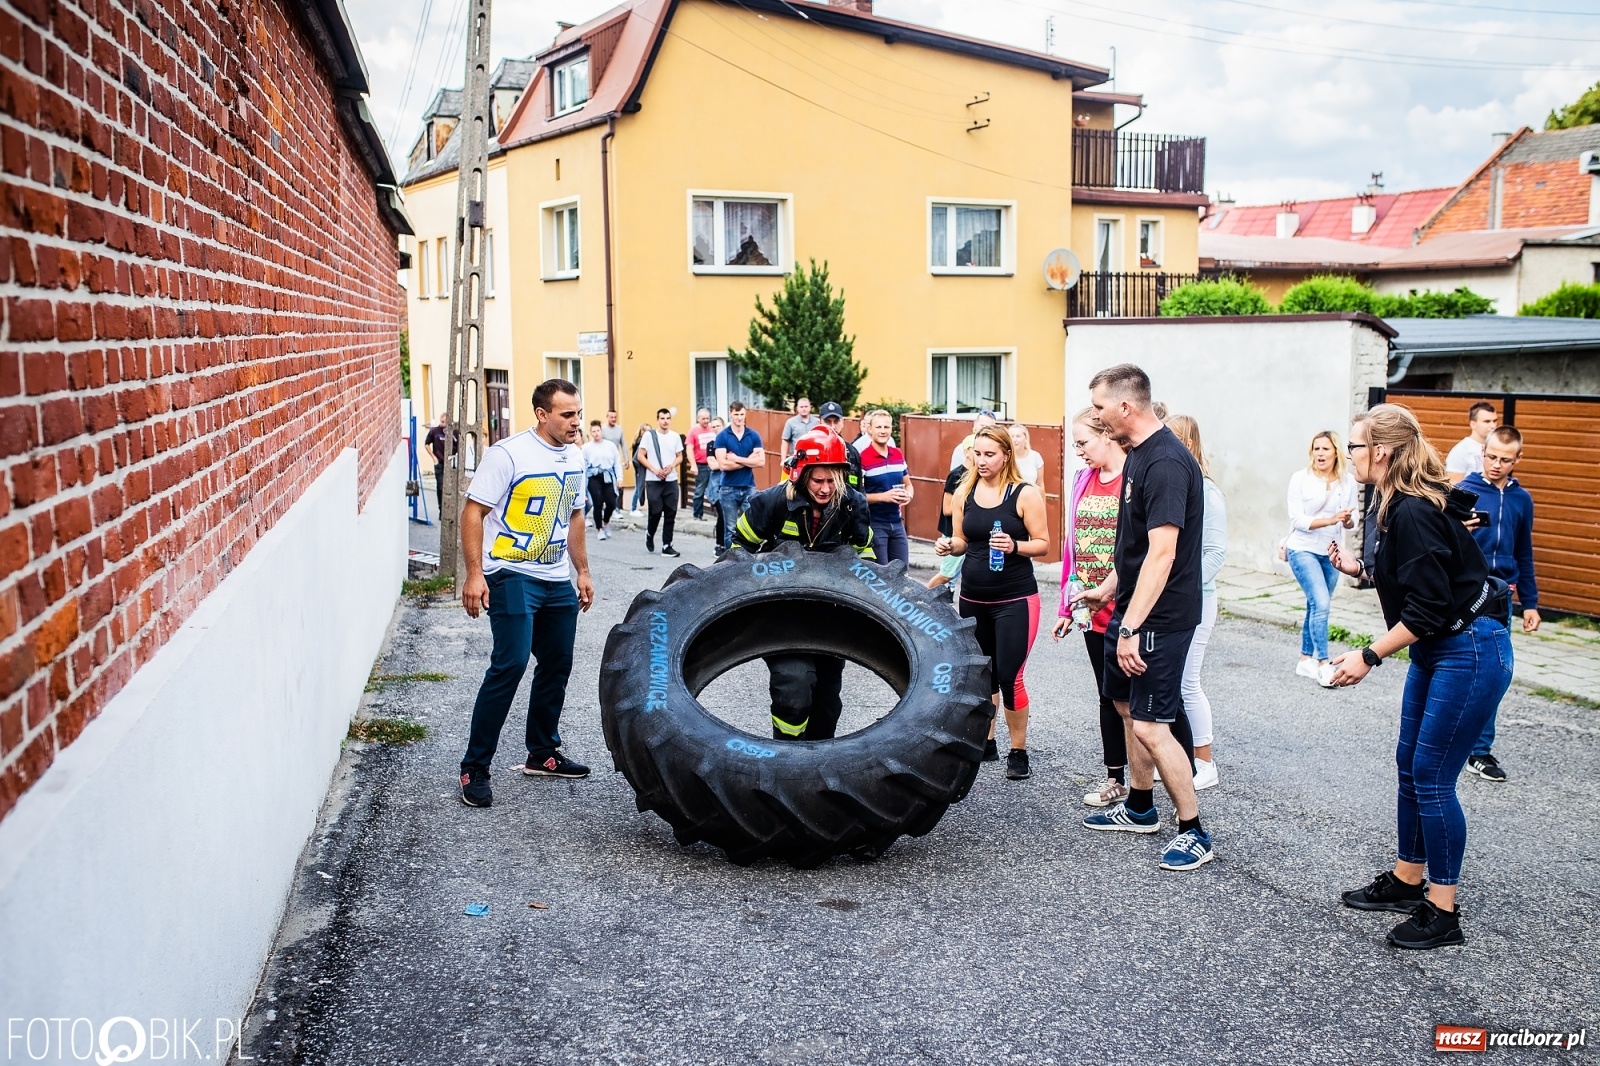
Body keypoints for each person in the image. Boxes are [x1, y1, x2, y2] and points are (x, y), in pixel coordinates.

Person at [1328, 403, 1512, 950]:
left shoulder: (1410, 509)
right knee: (1411, 764)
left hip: (1470, 649)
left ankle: (1443, 909)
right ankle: (1409, 880)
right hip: (1440, 649)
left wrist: (1368, 655)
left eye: (1355, 446)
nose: (1349, 455)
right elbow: (1416, 573)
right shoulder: (1389, 504)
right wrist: (1358, 568)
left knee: (1431, 775)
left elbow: (1428, 607)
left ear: (1381, 452)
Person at [1078, 364, 1213, 873]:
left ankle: (1194, 831)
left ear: (1125, 407)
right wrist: (1109, 590)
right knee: (1124, 705)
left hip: (1162, 615)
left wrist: (1132, 627)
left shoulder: (1167, 465)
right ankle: (1139, 807)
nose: (1095, 415)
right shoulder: (1137, 457)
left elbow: (1162, 555)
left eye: (1099, 407)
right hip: (1131, 605)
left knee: (1154, 725)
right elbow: (1133, 549)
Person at [457, 379, 595, 808]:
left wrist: (583, 571)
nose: (575, 422)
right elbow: (473, 512)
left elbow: (575, 517)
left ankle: (542, 753)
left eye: (577, 413)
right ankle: (474, 767)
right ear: (542, 414)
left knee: (557, 662)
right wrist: (474, 574)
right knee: (511, 663)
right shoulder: (509, 455)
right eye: (566, 415)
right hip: (510, 572)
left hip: (555, 578)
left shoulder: (576, 457)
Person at [729, 428, 877, 741]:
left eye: (831, 480)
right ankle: (786, 755)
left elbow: (869, 561)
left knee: (826, 702)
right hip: (781, 617)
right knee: (794, 686)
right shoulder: (770, 504)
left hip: (831, 618)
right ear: (801, 475)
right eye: (817, 480)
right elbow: (735, 555)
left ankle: (815, 764)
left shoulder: (853, 506)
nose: (825, 489)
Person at [934, 425, 1050, 781]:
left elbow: (1044, 544)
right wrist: (948, 546)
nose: (981, 461)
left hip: (1015, 598)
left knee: (1010, 674)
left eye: (989, 455)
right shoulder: (964, 490)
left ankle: (1019, 750)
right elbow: (962, 540)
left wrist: (1015, 546)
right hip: (973, 596)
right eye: (977, 454)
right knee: (983, 675)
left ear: (1005, 455)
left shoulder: (1024, 493)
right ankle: (988, 740)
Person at [1053, 408, 1130, 807]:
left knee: (1141, 698)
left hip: (1129, 607)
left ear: (1107, 435)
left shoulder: (1133, 479)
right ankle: (1115, 778)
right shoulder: (1084, 479)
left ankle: (1176, 771)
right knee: (1106, 695)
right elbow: (1073, 548)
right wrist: (1067, 606)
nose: (1078, 451)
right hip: (1090, 607)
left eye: (1082, 442)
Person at [1457, 425, 1541, 784]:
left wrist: (1532, 603)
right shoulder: (1464, 491)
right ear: (1483, 454)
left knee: (1495, 676)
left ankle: (1480, 752)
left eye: (1505, 459)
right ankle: (1449, 739)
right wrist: (1461, 530)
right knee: (1457, 668)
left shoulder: (1523, 500)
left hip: (1502, 595)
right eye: (1491, 456)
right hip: (1465, 592)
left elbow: (1524, 551)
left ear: (1517, 460)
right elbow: (1443, 544)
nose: (1496, 464)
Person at [1166, 414, 1226, 792]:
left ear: (1186, 444)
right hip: (1177, 600)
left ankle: (1204, 762)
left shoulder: (1207, 492)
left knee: (1188, 683)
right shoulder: (1182, 488)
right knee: (1173, 684)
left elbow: (1216, 553)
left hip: (1197, 602)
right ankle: (1179, 758)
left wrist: (1180, 588)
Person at [1286, 431, 1359, 685]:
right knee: (1322, 603)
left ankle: (1304, 659)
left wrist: (1347, 519)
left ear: (1335, 452)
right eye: (1316, 449)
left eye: (1325, 449)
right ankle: (1323, 662)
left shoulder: (1347, 481)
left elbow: (1353, 521)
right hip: (1302, 549)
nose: (1320, 454)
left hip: (1331, 553)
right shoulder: (1300, 479)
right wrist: (1330, 519)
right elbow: (1297, 519)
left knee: (1315, 604)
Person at [858, 409, 913, 568]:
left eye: (886, 427)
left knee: (902, 573)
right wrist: (884, 496)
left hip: (897, 523)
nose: (883, 431)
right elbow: (856, 496)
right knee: (881, 574)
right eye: (879, 427)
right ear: (870, 429)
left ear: (891, 429)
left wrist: (908, 496)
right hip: (875, 524)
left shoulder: (897, 454)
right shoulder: (862, 457)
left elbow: (908, 484)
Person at [714, 402, 765, 553]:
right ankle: (731, 561)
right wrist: (749, 460)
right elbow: (723, 465)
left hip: (749, 486)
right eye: (736, 415)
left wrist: (736, 458)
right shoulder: (722, 436)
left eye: (742, 414)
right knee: (730, 528)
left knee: (753, 524)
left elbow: (761, 461)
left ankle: (752, 558)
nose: (739, 418)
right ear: (730, 414)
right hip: (728, 488)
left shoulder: (753, 435)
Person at [926, 439, 972, 601]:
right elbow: (947, 508)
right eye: (976, 450)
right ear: (966, 452)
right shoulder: (956, 474)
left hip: (968, 532)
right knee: (946, 574)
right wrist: (973, 511)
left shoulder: (978, 475)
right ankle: (920, 599)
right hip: (953, 532)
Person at [637, 408, 684, 557]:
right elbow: (640, 455)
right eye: (662, 418)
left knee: (671, 512)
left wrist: (671, 466)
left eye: (667, 418)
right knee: (655, 512)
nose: (665, 421)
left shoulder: (675, 436)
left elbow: (680, 456)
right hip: (654, 480)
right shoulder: (649, 436)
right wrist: (654, 469)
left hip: (671, 479)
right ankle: (650, 533)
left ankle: (667, 545)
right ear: (657, 420)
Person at [582, 419, 623, 540]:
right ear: (591, 433)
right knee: (598, 502)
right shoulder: (586, 448)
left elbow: (616, 463)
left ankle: (606, 522)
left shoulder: (610, 446)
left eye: (598, 430)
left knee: (611, 502)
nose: (596, 433)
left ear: (601, 431)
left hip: (608, 476)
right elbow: (584, 467)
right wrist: (583, 487)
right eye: (593, 431)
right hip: (594, 476)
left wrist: (619, 478)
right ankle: (599, 529)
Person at [1445, 401, 1498, 484]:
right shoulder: (1461, 450)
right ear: (1473, 424)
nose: (1493, 426)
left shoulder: (1497, 447)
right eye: (1487, 421)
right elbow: (1454, 486)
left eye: (1494, 421)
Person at [818, 402, 864, 489]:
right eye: (827, 422)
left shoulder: (852, 452)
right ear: (819, 422)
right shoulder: (810, 450)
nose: (833, 427)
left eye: (836, 421)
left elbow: (860, 488)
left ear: (842, 422)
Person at [687, 408, 720, 520]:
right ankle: (697, 514)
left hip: (716, 465)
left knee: (715, 489)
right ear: (698, 419)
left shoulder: (713, 429)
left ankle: (718, 513)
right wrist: (693, 464)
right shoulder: (693, 431)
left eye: (707, 418)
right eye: (703, 418)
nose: (706, 421)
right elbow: (689, 449)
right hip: (702, 465)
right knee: (699, 491)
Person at [424, 412, 458, 517]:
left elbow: (460, 446)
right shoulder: (435, 431)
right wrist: (433, 457)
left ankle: (452, 510)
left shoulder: (455, 432)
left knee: (453, 487)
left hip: (451, 463)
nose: (442, 424)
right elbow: (426, 444)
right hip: (439, 462)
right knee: (440, 487)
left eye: (444, 422)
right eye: (441, 422)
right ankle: (441, 510)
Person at [704, 416, 728, 552]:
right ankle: (719, 544)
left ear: (723, 426)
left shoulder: (728, 442)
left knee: (728, 516)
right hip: (716, 486)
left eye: (718, 426)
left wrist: (725, 463)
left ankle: (727, 543)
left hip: (729, 483)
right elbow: (712, 465)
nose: (715, 428)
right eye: (713, 426)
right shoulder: (711, 444)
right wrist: (725, 463)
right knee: (722, 513)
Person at [780, 397, 819, 462]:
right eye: (801, 407)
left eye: (806, 406)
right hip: (796, 458)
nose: (804, 409)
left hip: (813, 458)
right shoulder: (790, 422)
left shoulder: (817, 422)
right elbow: (785, 441)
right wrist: (783, 460)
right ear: (797, 408)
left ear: (810, 407)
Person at [628, 421, 651, 515]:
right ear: (642, 432)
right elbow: (636, 458)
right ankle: (633, 508)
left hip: (642, 468)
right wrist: (638, 470)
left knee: (640, 488)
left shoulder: (639, 441)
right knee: (639, 488)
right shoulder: (640, 443)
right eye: (647, 431)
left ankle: (634, 508)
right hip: (640, 469)